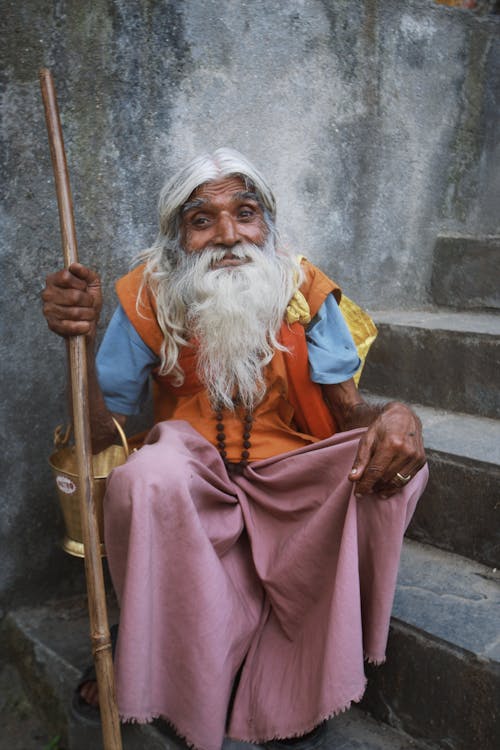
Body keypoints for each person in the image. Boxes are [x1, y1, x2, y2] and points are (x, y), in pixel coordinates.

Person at [42, 148, 427, 750]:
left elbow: (351, 414)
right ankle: (163, 661)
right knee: (144, 477)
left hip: (290, 475)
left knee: (394, 471)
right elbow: (98, 433)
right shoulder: (149, 293)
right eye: (202, 220)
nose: (228, 235)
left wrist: (400, 417)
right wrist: (80, 338)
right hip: (193, 473)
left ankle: (295, 674)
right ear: (178, 237)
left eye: (245, 214)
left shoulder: (302, 289)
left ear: (267, 226)